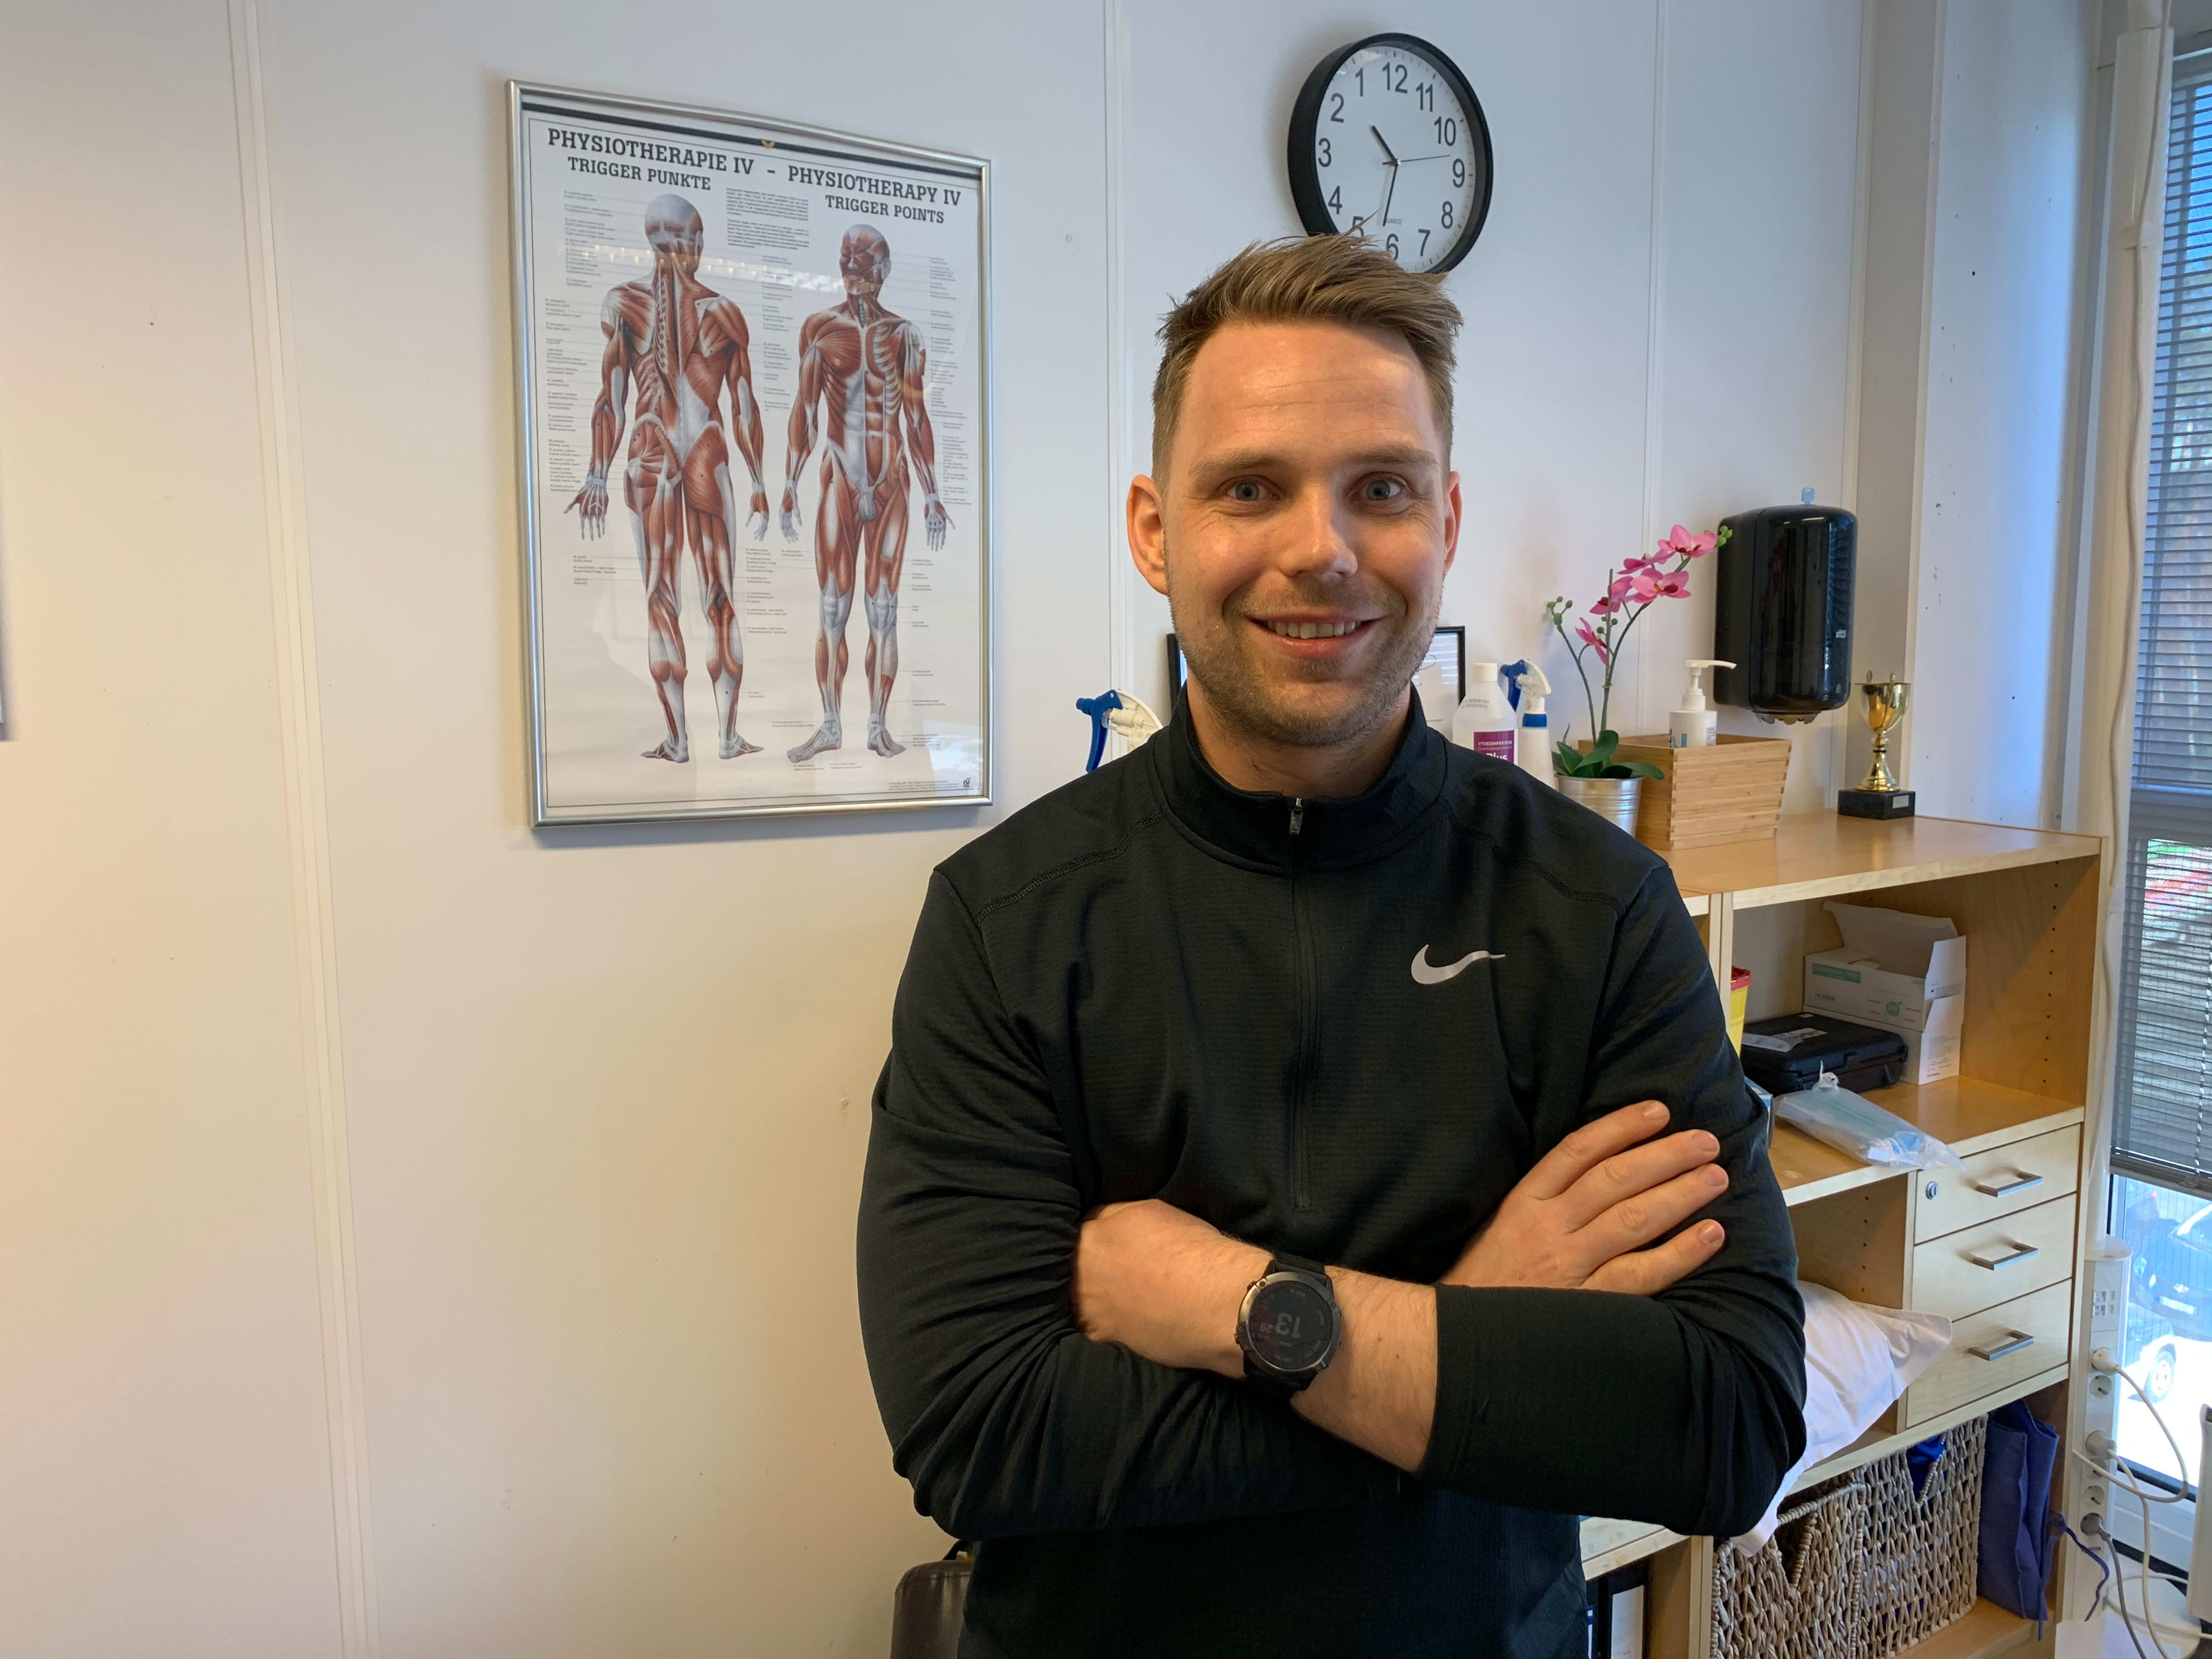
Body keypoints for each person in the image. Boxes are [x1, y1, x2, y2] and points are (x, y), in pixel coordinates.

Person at [855, 235, 1804, 1658]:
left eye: (1383, 489)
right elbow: (981, 1434)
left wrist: (1235, 1305)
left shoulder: (1598, 909)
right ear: (1154, 530)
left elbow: (1729, 1420)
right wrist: (1470, 1331)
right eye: (1251, 487)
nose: (1322, 548)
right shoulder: (1009, 923)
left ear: (1448, 518)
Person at [569, 193, 769, 764]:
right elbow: (743, 406)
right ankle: (726, 737)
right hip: (705, 449)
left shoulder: (625, 303)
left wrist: (598, 474)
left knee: (661, 597)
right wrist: (757, 480)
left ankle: (680, 741)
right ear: (697, 242)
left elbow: (611, 399)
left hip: (651, 450)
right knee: (720, 598)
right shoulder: (722, 312)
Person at [780, 224, 950, 763]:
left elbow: (916, 417)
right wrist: (789, 482)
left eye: (862, 258)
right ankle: (831, 724)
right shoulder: (819, 329)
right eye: (846, 256)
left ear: (883, 270)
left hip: (891, 481)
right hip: (840, 478)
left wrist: (933, 493)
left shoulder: (905, 336)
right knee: (833, 606)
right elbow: (806, 411)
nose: (852, 267)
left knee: (884, 609)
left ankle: (876, 726)